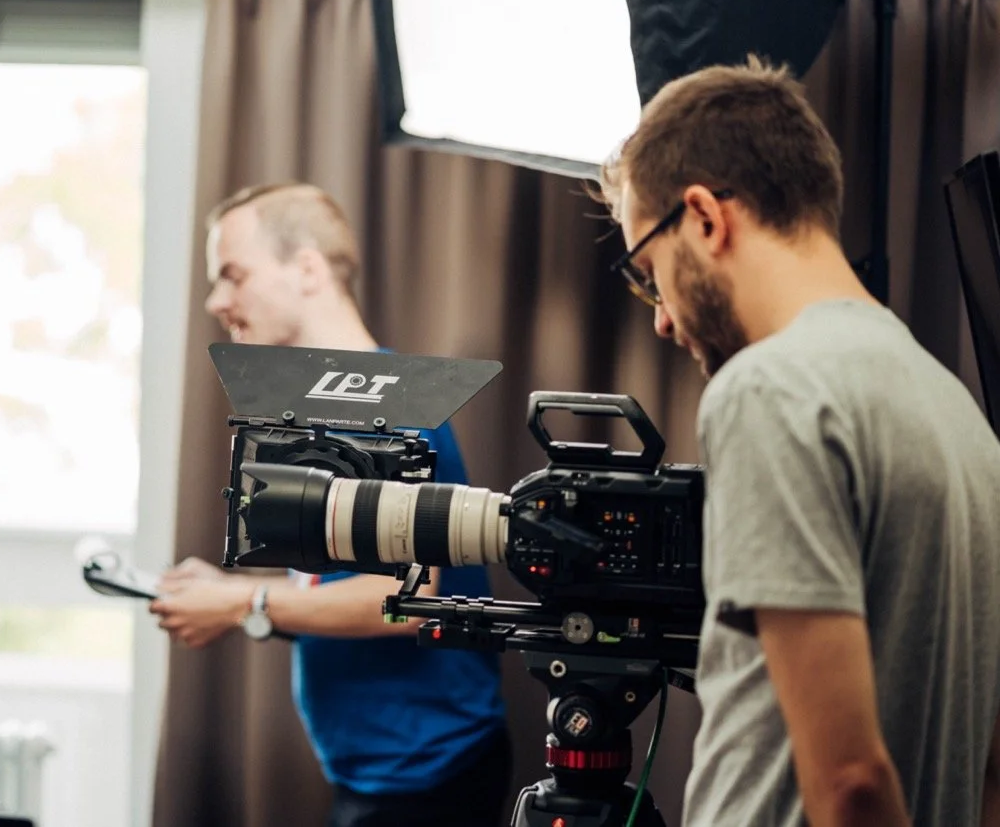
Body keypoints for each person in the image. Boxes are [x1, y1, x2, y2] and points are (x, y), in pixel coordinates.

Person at [596, 56, 1000, 827]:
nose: (661, 317)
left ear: (707, 218)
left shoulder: (772, 390)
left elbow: (848, 780)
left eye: (651, 271)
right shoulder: (963, 418)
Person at [149, 183, 511, 827]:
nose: (216, 301)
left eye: (233, 275)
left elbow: (403, 597)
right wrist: (230, 588)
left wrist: (240, 602)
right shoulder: (335, 403)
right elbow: (337, 576)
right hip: (377, 773)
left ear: (307, 269)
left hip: (430, 778)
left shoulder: (389, 405)